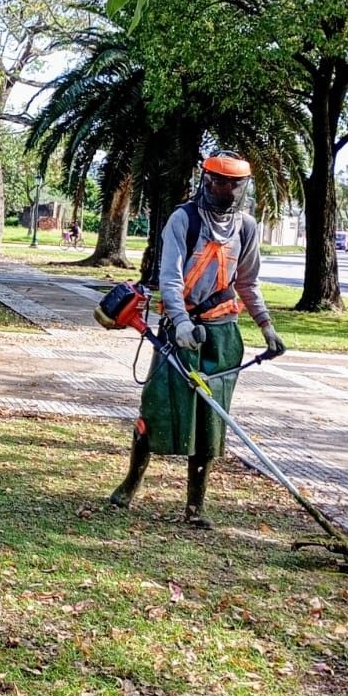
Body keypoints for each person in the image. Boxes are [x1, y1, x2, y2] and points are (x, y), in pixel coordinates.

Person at [108, 151, 285, 528]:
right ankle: (131, 482)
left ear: (243, 186)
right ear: (206, 180)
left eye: (235, 183)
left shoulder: (247, 228)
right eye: (220, 181)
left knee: (211, 418)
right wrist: (181, 322)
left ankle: (195, 507)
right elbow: (169, 277)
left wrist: (267, 328)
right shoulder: (183, 220)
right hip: (180, 331)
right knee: (155, 407)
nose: (227, 189)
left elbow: (248, 283)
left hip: (222, 336)